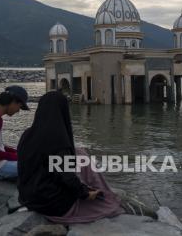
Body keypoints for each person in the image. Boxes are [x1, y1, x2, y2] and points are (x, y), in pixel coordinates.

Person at [17, 91, 125, 224]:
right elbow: (67, 177)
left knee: (78, 153)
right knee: (106, 206)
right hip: (51, 205)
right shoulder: (58, 140)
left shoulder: (27, 135)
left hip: (28, 199)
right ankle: (102, 190)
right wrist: (85, 194)